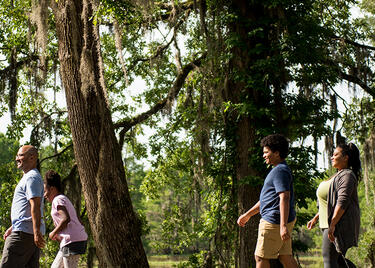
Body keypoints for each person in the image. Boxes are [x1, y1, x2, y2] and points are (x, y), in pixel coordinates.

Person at [237, 134, 298, 268]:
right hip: (279, 220)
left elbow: (284, 197)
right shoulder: (279, 170)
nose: (264, 155)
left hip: (274, 221)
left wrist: (282, 226)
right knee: (285, 257)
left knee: (260, 257)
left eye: (266, 152)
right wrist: (248, 214)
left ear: (276, 153)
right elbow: (266, 200)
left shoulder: (280, 171)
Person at [307, 143, 361, 267]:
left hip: (338, 224)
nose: (332, 157)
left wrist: (333, 224)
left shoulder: (347, 175)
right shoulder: (338, 175)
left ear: (345, 157)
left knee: (329, 259)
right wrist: (316, 218)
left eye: (335, 154)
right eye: (331, 155)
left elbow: (342, 202)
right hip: (330, 223)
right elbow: (328, 203)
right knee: (338, 261)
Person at [0, 145, 46, 268]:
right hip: (25, 231)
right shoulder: (30, 177)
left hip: (23, 235)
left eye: (20, 155)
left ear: (32, 157)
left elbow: (35, 205)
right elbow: (26, 208)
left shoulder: (32, 177)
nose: (16, 158)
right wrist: (13, 226)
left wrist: (36, 232)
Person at [44, 170, 88, 268]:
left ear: (52, 189)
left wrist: (53, 233)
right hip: (70, 241)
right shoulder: (63, 199)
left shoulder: (57, 200)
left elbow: (66, 219)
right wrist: (61, 234)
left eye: (45, 191)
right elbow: (78, 220)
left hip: (72, 242)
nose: (44, 195)